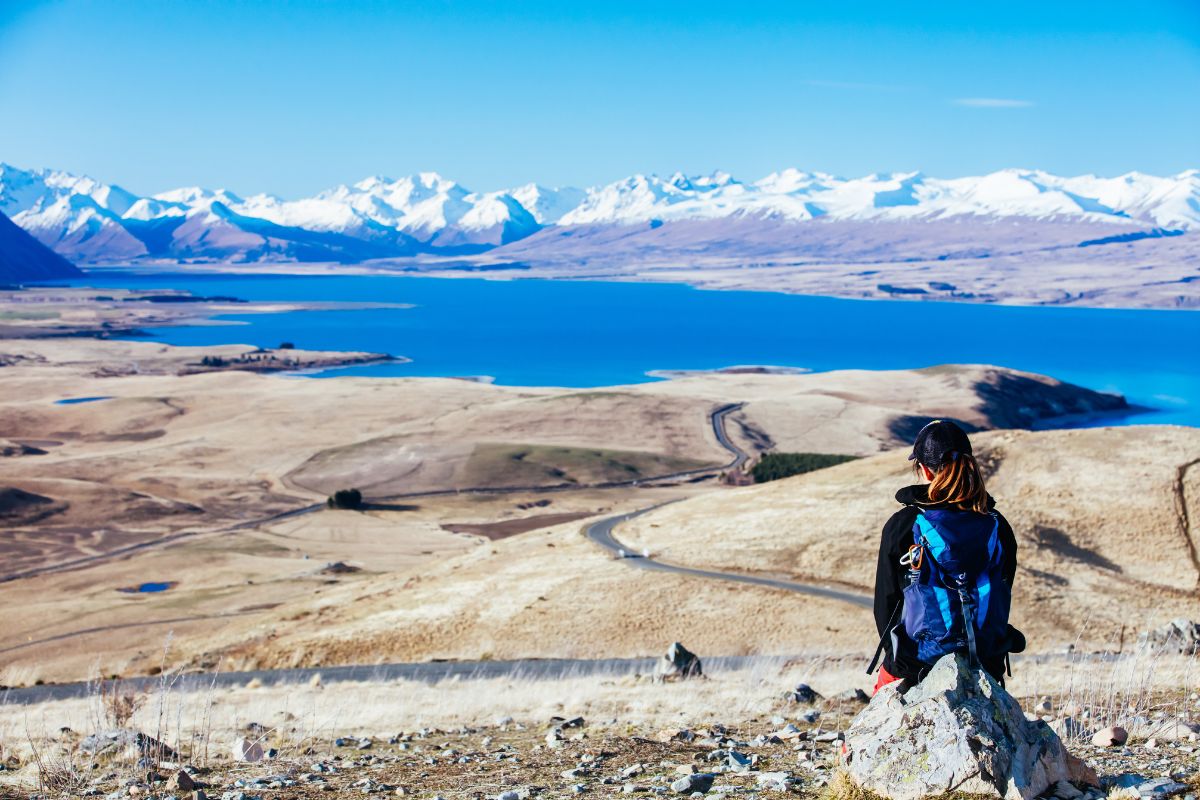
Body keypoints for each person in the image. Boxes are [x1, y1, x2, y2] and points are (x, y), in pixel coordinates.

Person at [869, 419, 1022, 694]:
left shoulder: (904, 524)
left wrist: (898, 660)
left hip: (915, 661)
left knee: (864, 738)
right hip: (986, 660)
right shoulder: (997, 524)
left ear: (924, 470)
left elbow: (886, 603)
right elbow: (1003, 589)